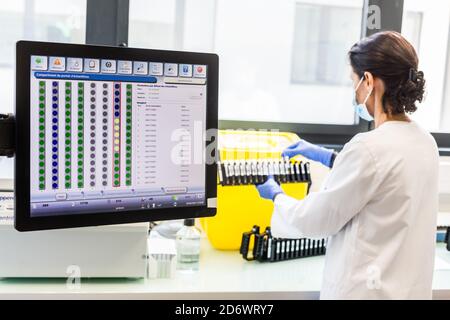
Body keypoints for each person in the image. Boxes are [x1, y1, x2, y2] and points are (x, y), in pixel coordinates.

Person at [255, 31, 439, 299]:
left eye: (353, 81)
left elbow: (316, 220)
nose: (353, 92)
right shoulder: (425, 141)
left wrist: (276, 196)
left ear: (368, 81)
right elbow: (385, 179)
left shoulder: (368, 148)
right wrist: (327, 157)